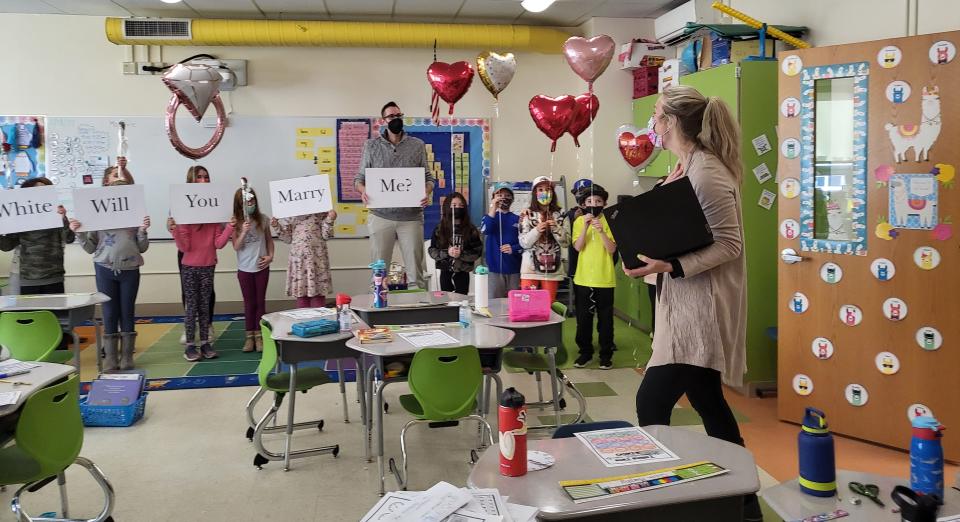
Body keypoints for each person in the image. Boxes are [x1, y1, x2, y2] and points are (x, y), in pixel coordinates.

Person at [622, 85, 760, 521]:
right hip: (681, 304)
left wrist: (670, 266)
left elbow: (730, 245)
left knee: (651, 401)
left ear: (673, 122)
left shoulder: (708, 171)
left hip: (700, 309)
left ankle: (662, 499)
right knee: (709, 403)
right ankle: (746, 503)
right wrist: (645, 254)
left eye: (657, 118)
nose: (653, 127)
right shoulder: (686, 166)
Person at [71, 166, 150, 371]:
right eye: (115, 175)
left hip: (130, 268)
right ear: (106, 182)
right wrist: (79, 233)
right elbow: (90, 248)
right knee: (109, 312)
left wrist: (142, 231)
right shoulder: (96, 212)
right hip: (104, 268)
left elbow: (142, 247)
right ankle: (110, 358)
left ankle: (126, 356)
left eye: (121, 175)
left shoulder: (134, 210)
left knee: (127, 312)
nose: (119, 178)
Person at [355, 102, 435, 289]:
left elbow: (428, 177)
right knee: (379, 271)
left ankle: (419, 310)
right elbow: (359, 178)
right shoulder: (371, 146)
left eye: (398, 115)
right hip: (380, 216)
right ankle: (379, 309)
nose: (395, 119)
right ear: (384, 121)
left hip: (411, 217)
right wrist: (363, 190)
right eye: (391, 116)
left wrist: (426, 190)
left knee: (416, 272)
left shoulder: (417, 145)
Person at [170, 211, 235, 362]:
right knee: (192, 307)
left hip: (208, 267)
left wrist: (230, 227)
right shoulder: (186, 222)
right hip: (189, 268)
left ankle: (205, 343)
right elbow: (184, 247)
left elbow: (219, 244)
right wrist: (175, 230)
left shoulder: (214, 222)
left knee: (204, 307)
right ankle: (190, 345)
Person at [0, 177, 75, 294]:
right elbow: (6, 246)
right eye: (37, 191)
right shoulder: (19, 218)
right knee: (29, 312)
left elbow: (70, 239)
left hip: (53, 277)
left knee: (55, 312)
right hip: (27, 278)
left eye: (45, 190)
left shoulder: (56, 215)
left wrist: (64, 219)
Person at [570, 184, 617, 370]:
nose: (593, 204)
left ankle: (606, 355)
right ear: (583, 204)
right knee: (583, 319)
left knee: (606, 320)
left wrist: (601, 231)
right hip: (582, 279)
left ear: (604, 203)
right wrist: (585, 227)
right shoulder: (579, 221)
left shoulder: (611, 221)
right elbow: (578, 247)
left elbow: (612, 249)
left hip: (605, 278)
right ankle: (585, 353)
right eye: (589, 201)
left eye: (598, 201)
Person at [169, 165, 217, 345]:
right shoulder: (180, 200)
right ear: (191, 180)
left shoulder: (214, 198)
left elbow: (219, 228)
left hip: (207, 253)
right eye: (199, 177)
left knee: (207, 293)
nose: (203, 180)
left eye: (206, 177)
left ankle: (208, 325)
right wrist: (172, 226)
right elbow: (172, 225)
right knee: (187, 292)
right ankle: (190, 328)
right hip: (187, 252)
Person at [232, 185, 274, 353]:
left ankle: (260, 335)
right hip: (244, 269)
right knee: (249, 303)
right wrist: (243, 231)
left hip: (261, 267)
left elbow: (269, 240)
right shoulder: (235, 222)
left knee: (260, 302)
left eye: (252, 200)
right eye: (246, 202)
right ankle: (249, 336)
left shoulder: (263, 219)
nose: (250, 204)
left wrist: (270, 256)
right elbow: (236, 246)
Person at [272, 210, 336, 309]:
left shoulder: (320, 209)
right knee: (301, 294)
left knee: (318, 293)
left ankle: (319, 322)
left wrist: (330, 219)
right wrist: (276, 226)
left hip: (317, 258)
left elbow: (326, 235)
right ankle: (303, 321)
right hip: (299, 259)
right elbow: (287, 239)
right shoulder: (290, 212)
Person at [519, 176, 568, 302]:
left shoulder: (562, 213)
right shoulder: (527, 214)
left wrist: (556, 228)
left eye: (548, 189)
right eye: (540, 189)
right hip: (530, 268)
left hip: (553, 269)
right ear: (535, 193)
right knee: (528, 304)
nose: (544, 193)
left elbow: (566, 242)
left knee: (548, 305)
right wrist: (536, 231)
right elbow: (523, 242)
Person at [428, 192, 481, 295]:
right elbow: (432, 250)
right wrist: (447, 253)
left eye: (461, 205)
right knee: (446, 301)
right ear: (448, 207)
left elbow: (477, 252)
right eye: (454, 205)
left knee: (461, 301)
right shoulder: (440, 229)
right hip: (445, 271)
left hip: (463, 272)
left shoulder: (471, 229)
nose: (458, 208)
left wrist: (461, 254)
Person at [480, 182, 522, 298]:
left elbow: (525, 243)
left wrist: (513, 248)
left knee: (514, 304)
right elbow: (485, 230)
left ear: (512, 199)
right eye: (500, 195)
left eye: (507, 195)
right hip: (494, 270)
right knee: (494, 305)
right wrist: (493, 207)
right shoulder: (489, 217)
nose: (503, 198)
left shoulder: (518, 219)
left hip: (514, 270)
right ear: (494, 197)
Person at [565, 178, 592, 284]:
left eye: (586, 192)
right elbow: (566, 238)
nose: (582, 196)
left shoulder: (599, 213)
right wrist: (574, 221)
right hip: (576, 261)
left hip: (596, 262)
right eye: (579, 193)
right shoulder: (571, 214)